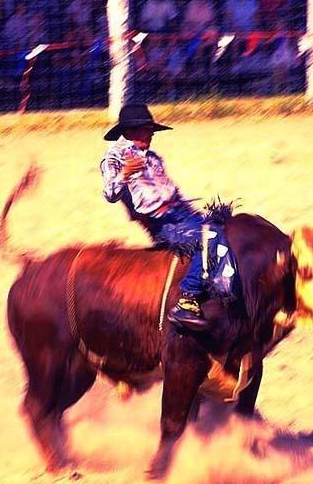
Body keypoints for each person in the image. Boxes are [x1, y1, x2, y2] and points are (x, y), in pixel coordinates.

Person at [100, 103, 234, 329]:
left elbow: (173, 192)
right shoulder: (114, 159)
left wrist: (196, 216)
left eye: (151, 129)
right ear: (130, 132)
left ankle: (225, 292)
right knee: (208, 239)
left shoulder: (152, 158)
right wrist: (124, 174)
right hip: (161, 222)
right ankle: (187, 300)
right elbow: (110, 194)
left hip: (180, 213)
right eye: (147, 129)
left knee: (226, 229)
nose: (152, 134)